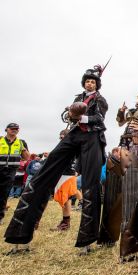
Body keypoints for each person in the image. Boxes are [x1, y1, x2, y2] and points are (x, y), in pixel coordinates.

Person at [4, 64, 108, 255]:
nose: (90, 83)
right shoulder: (78, 98)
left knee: (91, 185)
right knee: (43, 174)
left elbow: (99, 119)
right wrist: (70, 114)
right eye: (87, 81)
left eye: (93, 81)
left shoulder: (101, 100)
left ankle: (87, 241)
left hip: (92, 138)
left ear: (97, 84)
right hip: (74, 134)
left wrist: (82, 117)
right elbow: (67, 117)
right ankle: (19, 235)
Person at [51, 130, 82, 231]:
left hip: (66, 175)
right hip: (65, 174)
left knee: (65, 199)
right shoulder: (72, 146)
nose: (61, 139)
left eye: (62, 137)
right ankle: (65, 222)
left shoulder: (70, 146)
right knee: (66, 199)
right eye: (60, 138)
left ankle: (65, 223)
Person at [0, 123, 30, 225]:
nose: (14, 130)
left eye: (16, 129)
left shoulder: (21, 142)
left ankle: (0, 217)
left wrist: (23, 149)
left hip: (11, 171)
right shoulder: (0, 140)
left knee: (4, 194)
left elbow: (27, 158)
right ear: (6, 129)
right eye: (12, 128)